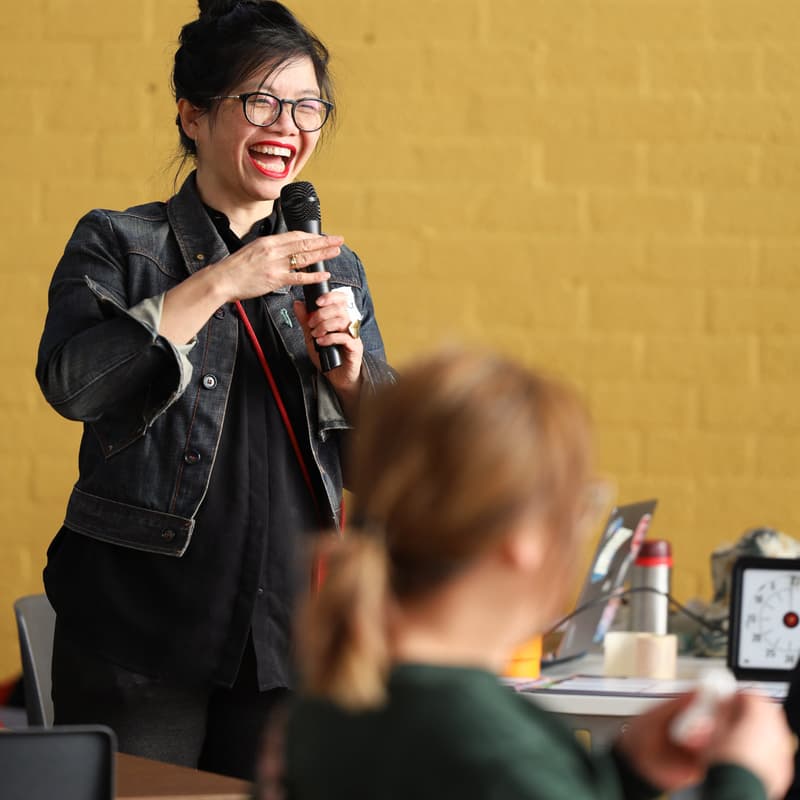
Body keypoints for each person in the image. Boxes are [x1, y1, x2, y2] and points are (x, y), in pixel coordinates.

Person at [35, 0, 392, 781]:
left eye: (307, 106)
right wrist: (224, 280)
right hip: (143, 626)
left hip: (288, 629)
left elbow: (390, 464)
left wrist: (350, 376)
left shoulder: (333, 266)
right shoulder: (120, 243)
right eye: (260, 101)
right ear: (192, 114)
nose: (287, 125)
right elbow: (72, 385)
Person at [273, 349, 794, 800]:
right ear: (520, 541)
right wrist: (742, 781)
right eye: (579, 507)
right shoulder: (492, 745)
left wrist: (626, 774)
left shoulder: (327, 710)